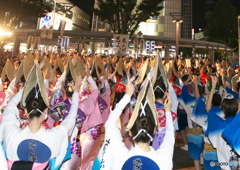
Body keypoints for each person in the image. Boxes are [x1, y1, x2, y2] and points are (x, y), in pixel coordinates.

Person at [1, 62, 82, 170]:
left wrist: (27, 86)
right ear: (45, 114)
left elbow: (9, 108)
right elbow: (71, 118)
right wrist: (76, 92)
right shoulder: (55, 136)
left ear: (25, 110)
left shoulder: (11, 134)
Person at [94, 77, 174, 170]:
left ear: (130, 132)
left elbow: (110, 122)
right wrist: (167, 111)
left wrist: (127, 96)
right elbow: (170, 135)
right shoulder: (164, 159)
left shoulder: (118, 154)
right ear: (154, 131)